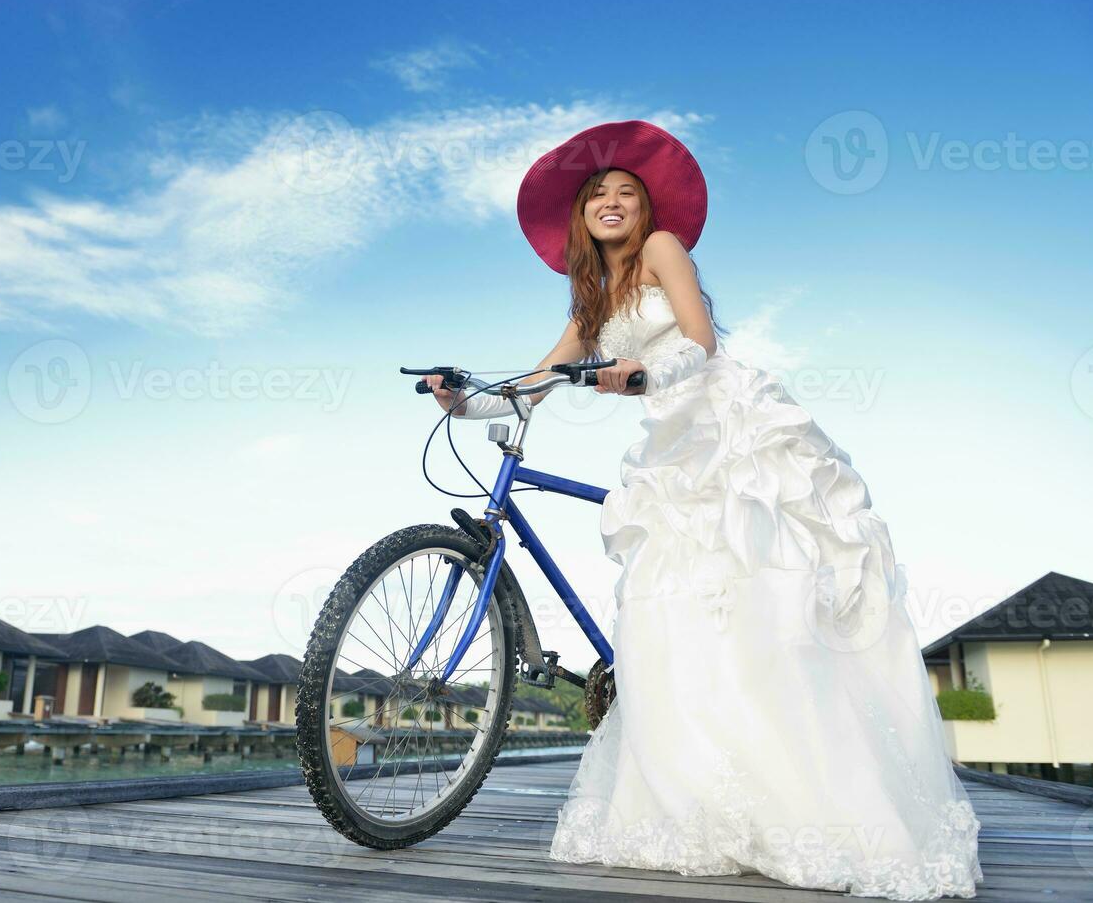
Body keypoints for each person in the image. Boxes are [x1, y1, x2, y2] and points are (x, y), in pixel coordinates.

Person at [420, 121, 983, 900]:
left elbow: (699, 341)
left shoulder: (661, 252)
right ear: (578, 219)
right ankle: (701, 804)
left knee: (753, 602)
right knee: (673, 613)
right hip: (668, 450)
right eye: (597, 195)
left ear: (644, 212)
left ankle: (809, 804)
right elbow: (539, 378)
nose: (612, 202)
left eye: (625, 193)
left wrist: (645, 375)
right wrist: (464, 400)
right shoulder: (591, 299)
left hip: (726, 433)